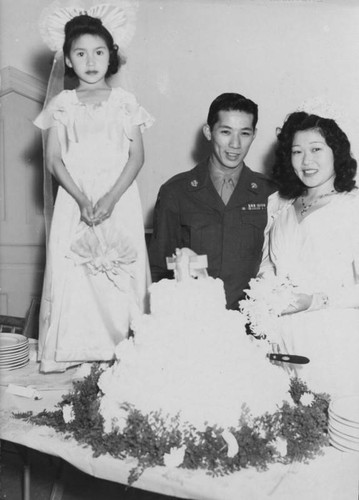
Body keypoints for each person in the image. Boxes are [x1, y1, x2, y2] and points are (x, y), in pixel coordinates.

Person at [34, 8, 154, 373]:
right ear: (68, 59)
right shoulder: (62, 105)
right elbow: (54, 159)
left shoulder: (125, 103)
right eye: (81, 53)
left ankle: (124, 357)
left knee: (119, 276)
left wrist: (110, 198)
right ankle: (73, 354)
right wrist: (83, 199)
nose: (90, 61)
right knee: (75, 273)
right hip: (76, 201)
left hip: (119, 200)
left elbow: (136, 156)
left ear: (110, 55)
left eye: (99, 52)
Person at [254, 110, 359, 397]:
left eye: (316, 149)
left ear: (336, 153)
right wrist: (264, 296)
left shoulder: (352, 207)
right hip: (280, 338)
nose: (306, 160)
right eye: (297, 151)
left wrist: (314, 301)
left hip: (332, 337)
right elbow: (268, 264)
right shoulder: (279, 204)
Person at [149, 93, 277, 310]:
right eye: (226, 132)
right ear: (209, 132)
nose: (235, 144)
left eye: (244, 133)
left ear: (254, 134)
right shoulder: (176, 191)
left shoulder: (269, 192)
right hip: (196, 321)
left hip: (251, 321)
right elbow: (159, 268)